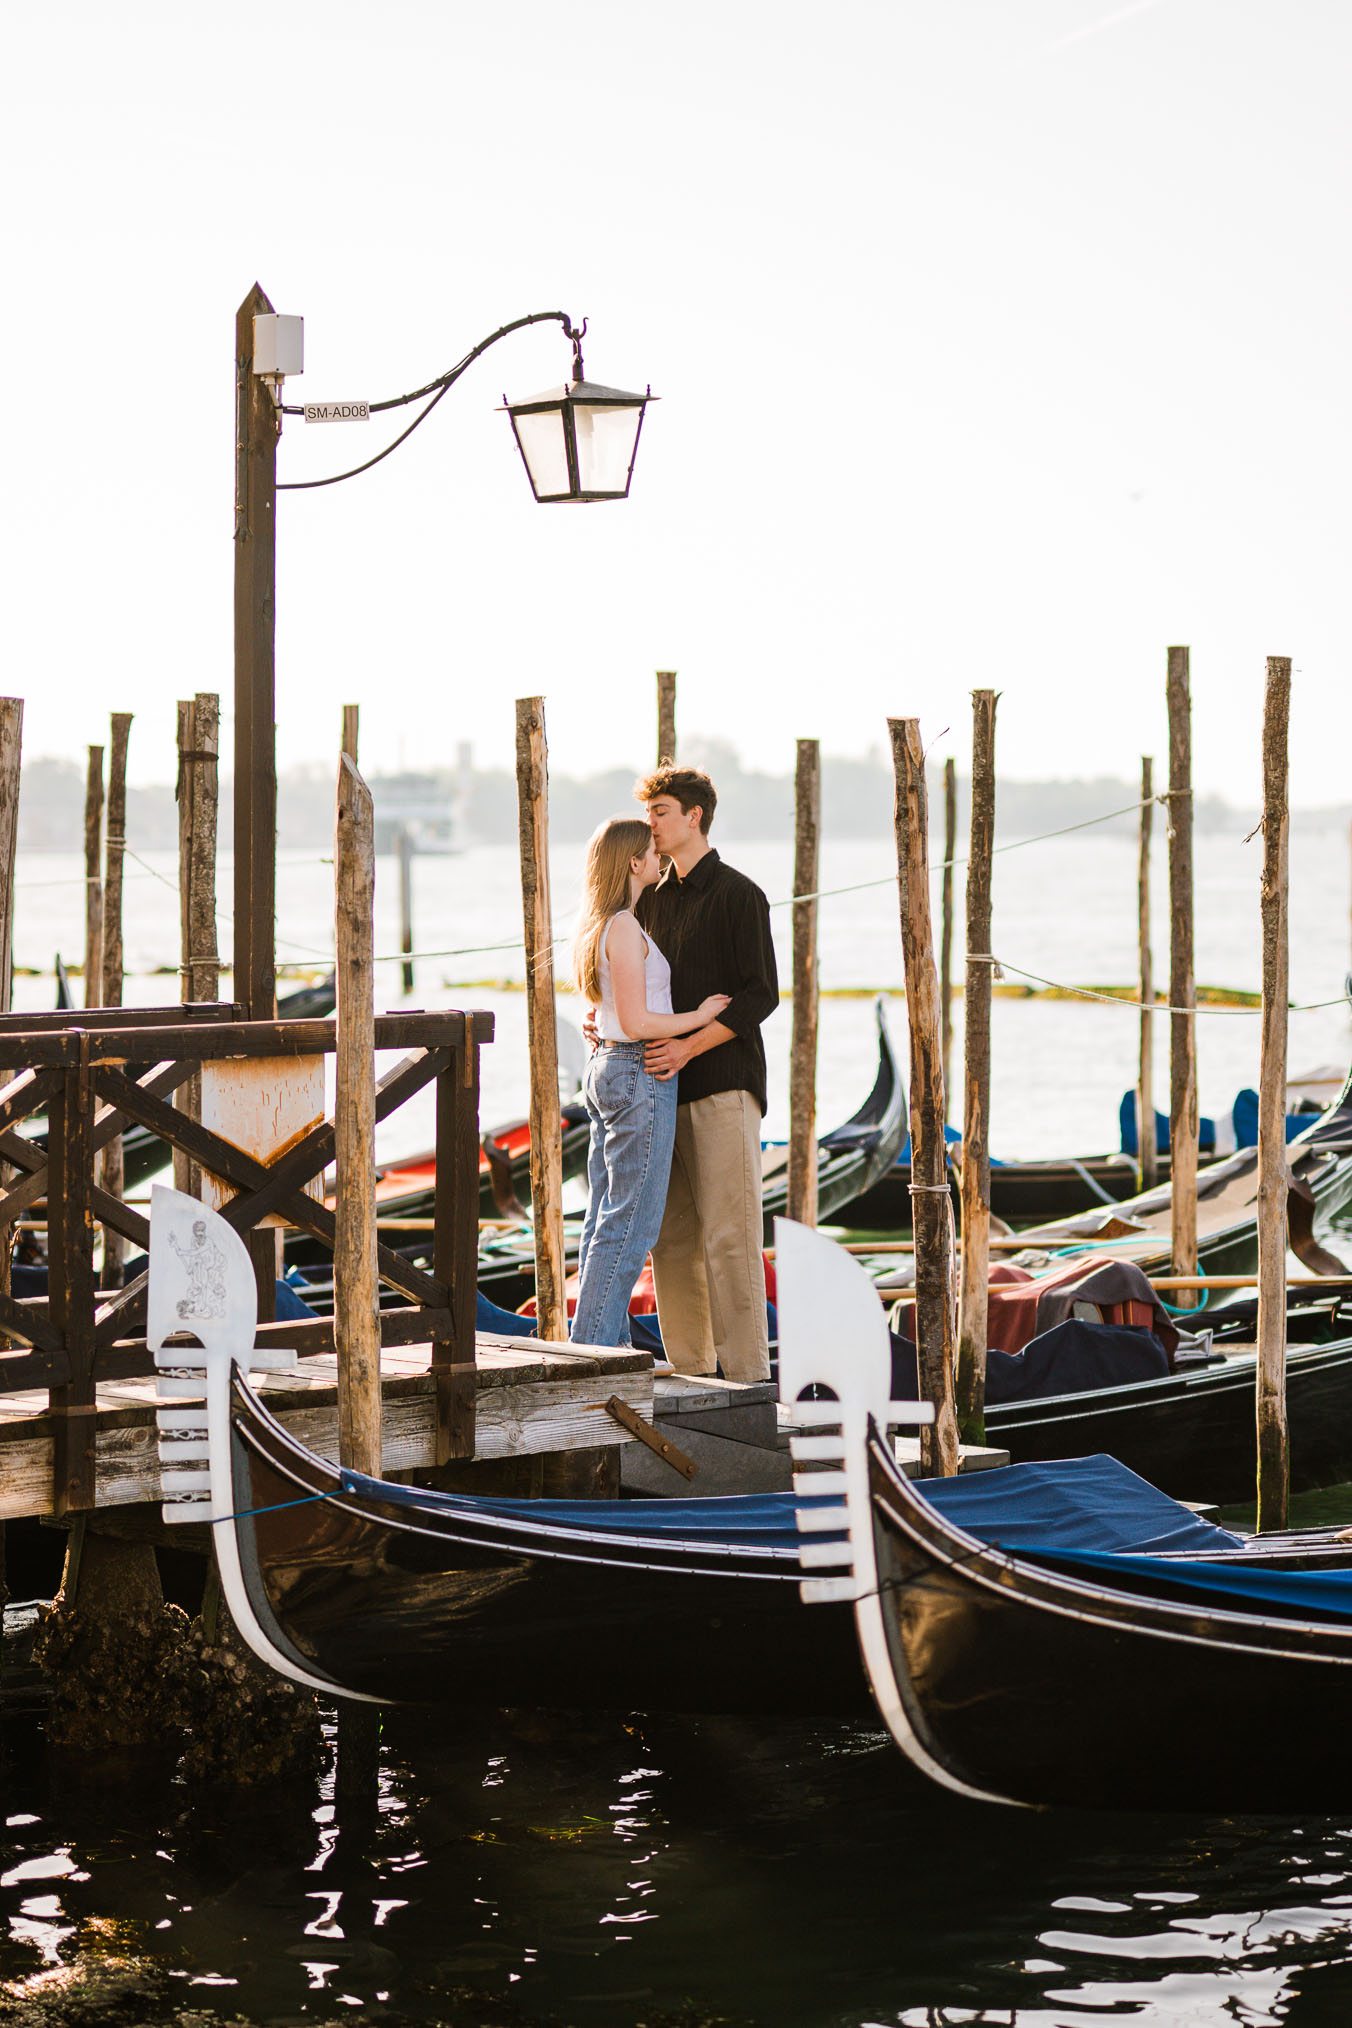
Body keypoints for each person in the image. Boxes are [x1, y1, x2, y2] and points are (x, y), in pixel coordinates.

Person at [633, 764, 778, 1384]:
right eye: (649, 814)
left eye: (661, 812)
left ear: (694, 816)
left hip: (722, 1086)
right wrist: (605, 1018)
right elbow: (635, 986)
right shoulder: (647, 900)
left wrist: (689, 1048)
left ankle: (747, 1383)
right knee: (671, 1240)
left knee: (730, 1240)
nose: (652, 825)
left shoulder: (740, 894)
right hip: (660, 1092)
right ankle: (691, 1375)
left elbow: (760, 996)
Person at [570, 816, 730, 1348]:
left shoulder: (604, 923)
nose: (659, 856)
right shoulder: (621, 926)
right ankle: (592, 1352)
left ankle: (602, 1342)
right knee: (629, 1224)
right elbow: (638, 1022)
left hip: (610, 1069)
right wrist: (700, 1017)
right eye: (650, 851)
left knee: (604, 1219)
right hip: (637, 1071)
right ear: (635, 863)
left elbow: (608, 1009)